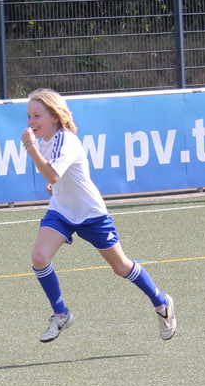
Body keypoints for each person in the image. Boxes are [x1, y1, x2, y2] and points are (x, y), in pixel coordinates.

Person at [21, 88, 174, 343]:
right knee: (39, 258)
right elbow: (58, 177)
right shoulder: (45, 141)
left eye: (37, 116)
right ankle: (61, 314)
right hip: (61, 211)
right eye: (29, 116)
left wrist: (30, 148)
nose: (31, 121)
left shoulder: (66, 140)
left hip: (91, 214)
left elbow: (53, 173)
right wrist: (54, 185)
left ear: (55, 116)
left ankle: (161, 303)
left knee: (121, 266)